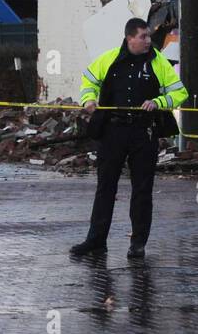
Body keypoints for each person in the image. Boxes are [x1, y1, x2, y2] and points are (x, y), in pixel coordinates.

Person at [69, 18, 187, 260]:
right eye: (143, 36)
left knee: (142, 190)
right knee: (105, 188)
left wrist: (158, 102)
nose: (148, 41)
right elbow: (88, 80)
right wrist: (88, 100)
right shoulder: (110, 58)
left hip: (143, 133)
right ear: (129, 38)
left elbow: (179, 92)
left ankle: (138, 243)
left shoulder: (158, 62)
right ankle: (96, 241)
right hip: (113, 132)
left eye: (148, 36)